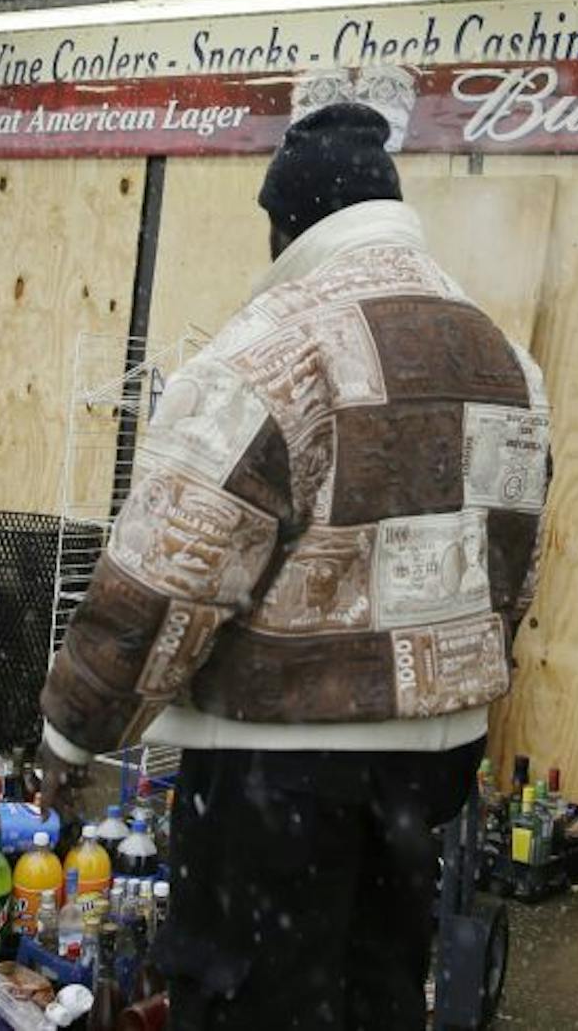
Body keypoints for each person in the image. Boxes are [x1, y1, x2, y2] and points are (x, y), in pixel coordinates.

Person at [37, 102, 551, 1029]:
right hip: (425, 773)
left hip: (278, 774)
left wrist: (76, 730)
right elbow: (512, 569)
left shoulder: (272, 349)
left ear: (287, 222)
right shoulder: (503, 355)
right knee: (378, 993)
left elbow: (170, 576)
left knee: (249, 1000)